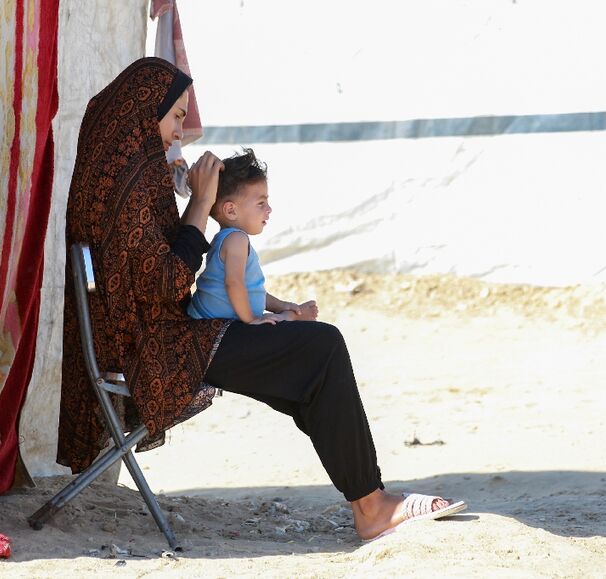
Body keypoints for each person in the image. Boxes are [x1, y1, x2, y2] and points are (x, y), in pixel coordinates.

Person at [57, 57, 465, 542]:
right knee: (321, 347)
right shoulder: (130, 182)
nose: (180, 130)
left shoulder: (124, 170)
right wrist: (202, 205)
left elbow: (156, 266)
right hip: (157, 350)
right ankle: (371, 505)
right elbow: (166, 279)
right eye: (175, 116)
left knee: (310, 357)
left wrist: (190, 199)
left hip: (159, 336)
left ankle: (370, 502)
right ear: (145, 112)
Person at [186, 148, 318, 324]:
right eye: (261, 203)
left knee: (270, 319)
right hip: (213, 324)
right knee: (269, 324)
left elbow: (253, 291)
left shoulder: (229, 239)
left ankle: (286, 314)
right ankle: (290, 318)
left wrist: (282, 304)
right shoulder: (236, 239)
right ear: (231, 210)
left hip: (217, 319)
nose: (269, 209)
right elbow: (234, 284)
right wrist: (251, 319)